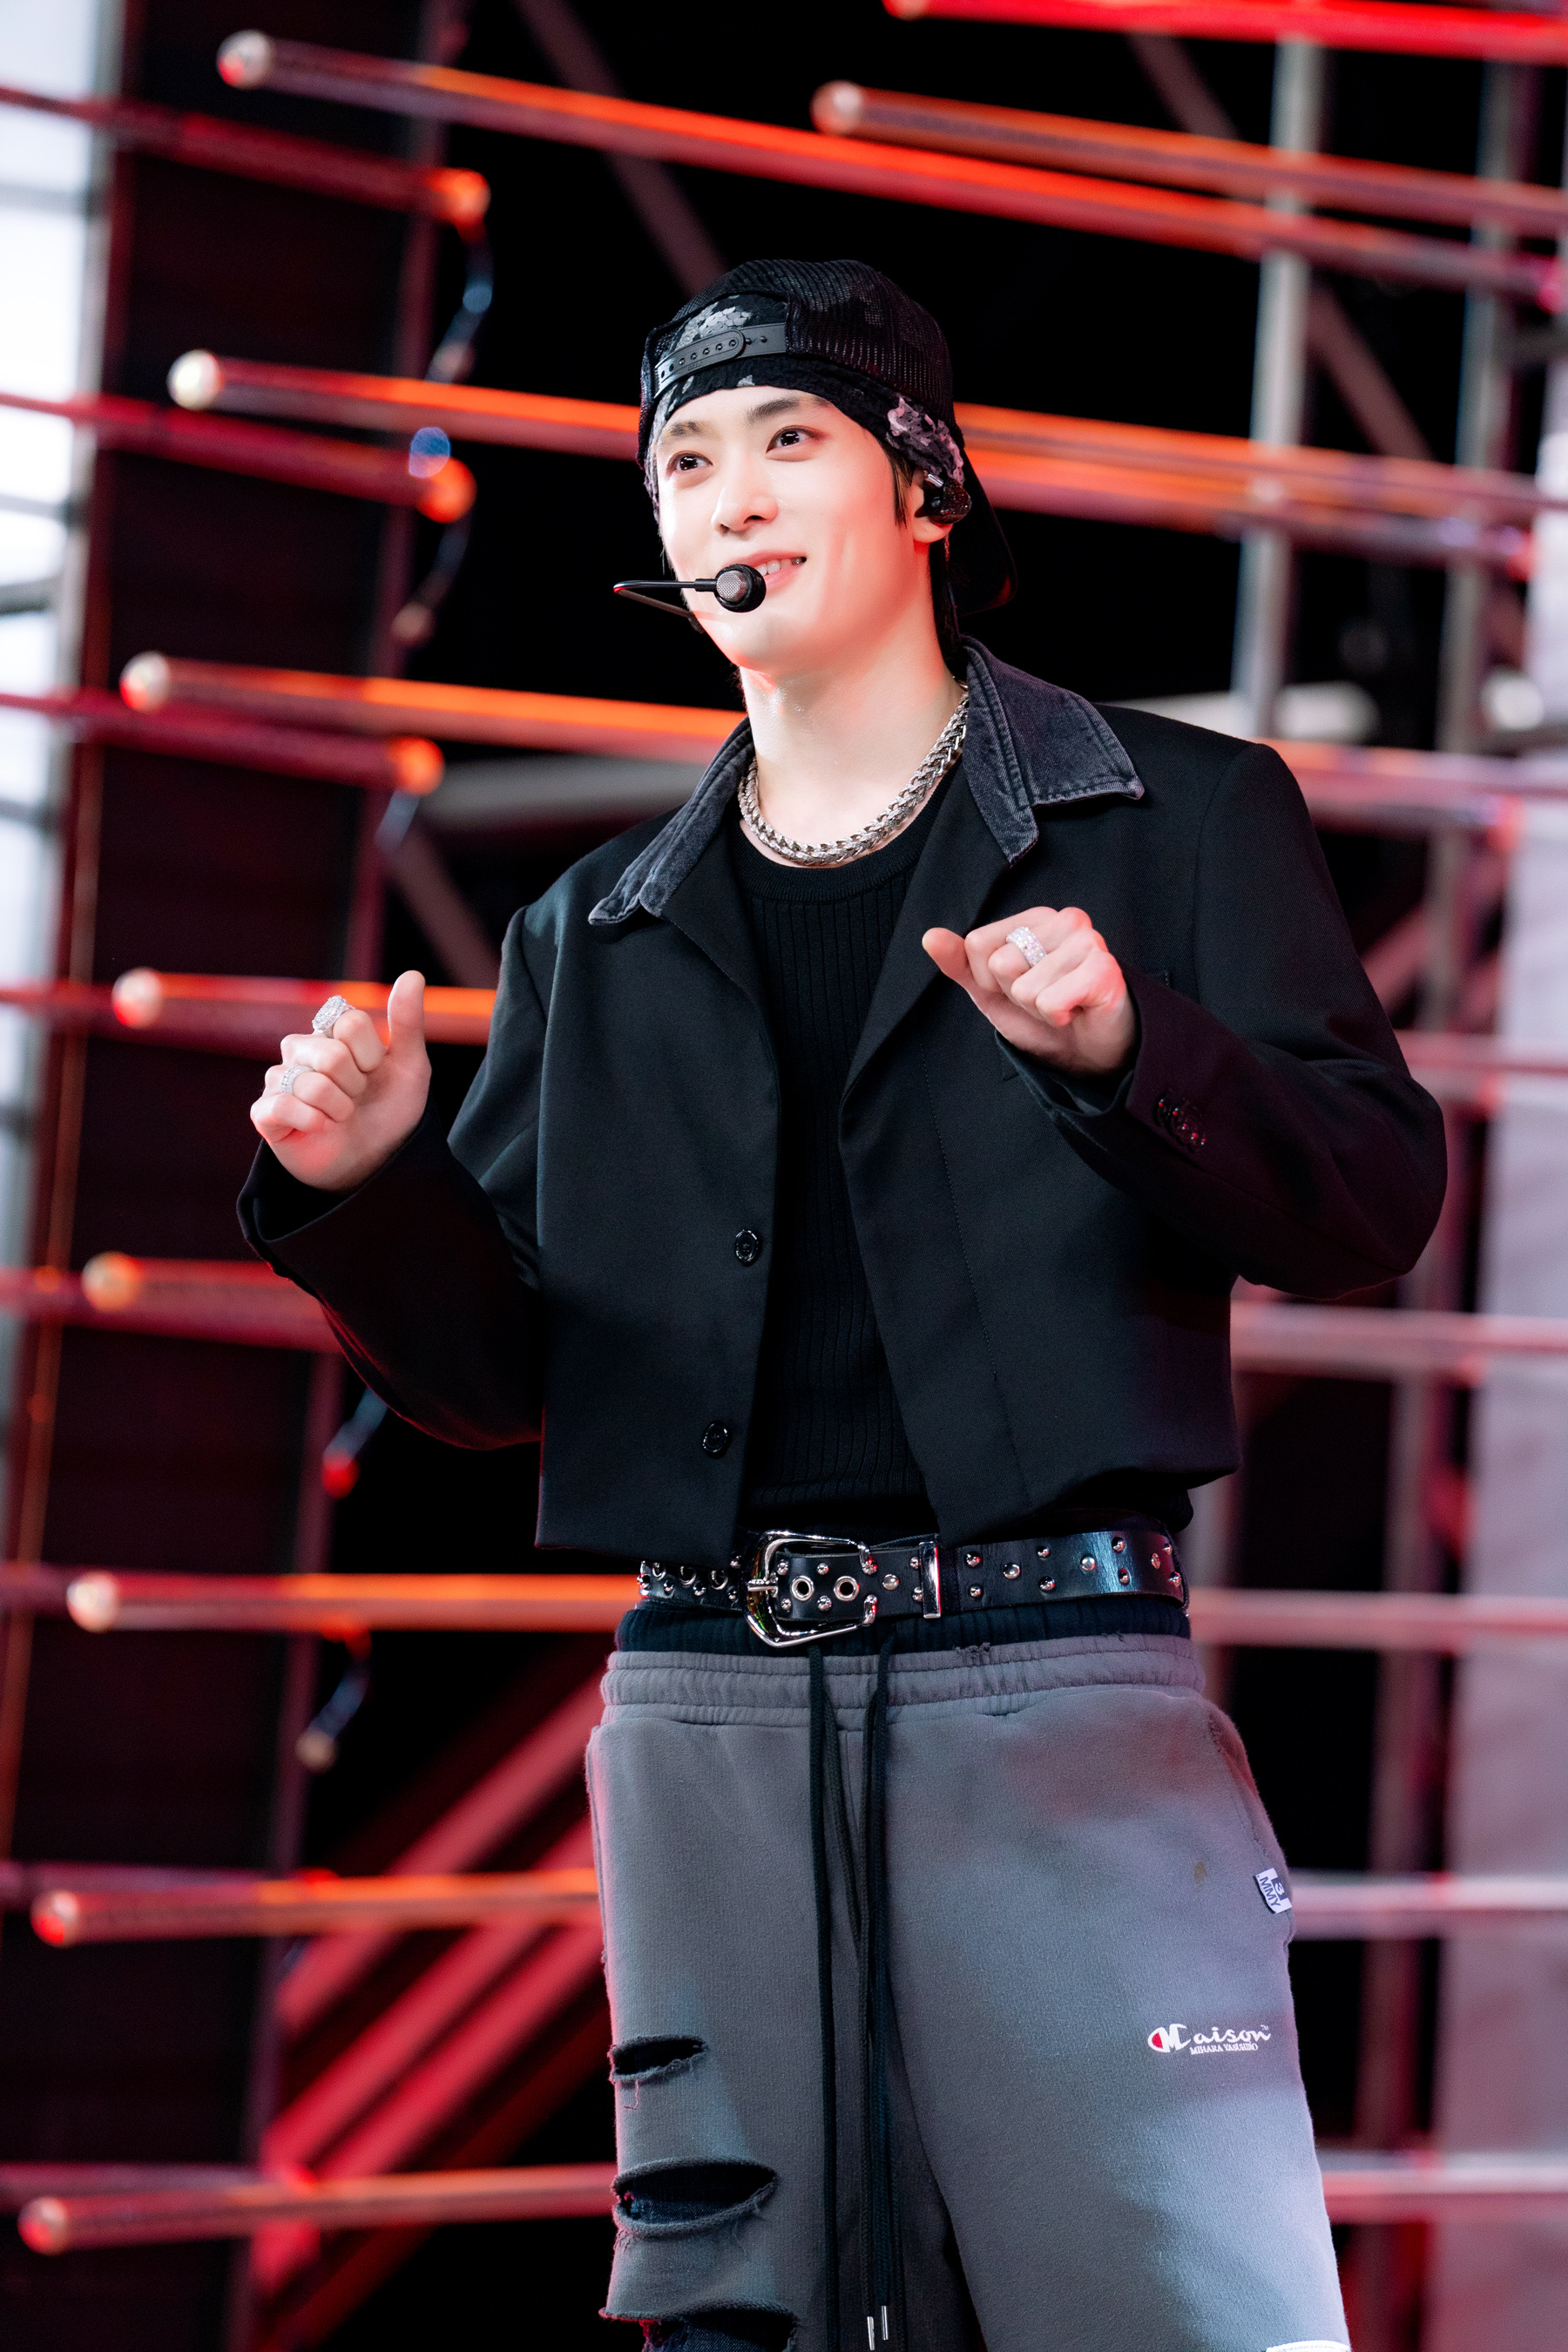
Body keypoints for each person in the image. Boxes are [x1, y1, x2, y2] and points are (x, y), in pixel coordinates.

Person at [242, 259, 1444, 2352]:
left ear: (926, 488)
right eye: (684, 463)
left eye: (788, 438)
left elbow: (1370, 1202)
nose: (729, 494)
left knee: (1177, 2307)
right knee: (745, 2315)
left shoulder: (1172, 820)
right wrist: (366, 1192)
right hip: (706, 1725)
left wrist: (1129, 1054)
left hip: (1055, 1696)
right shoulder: (594, 934)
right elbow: (503, 1382)